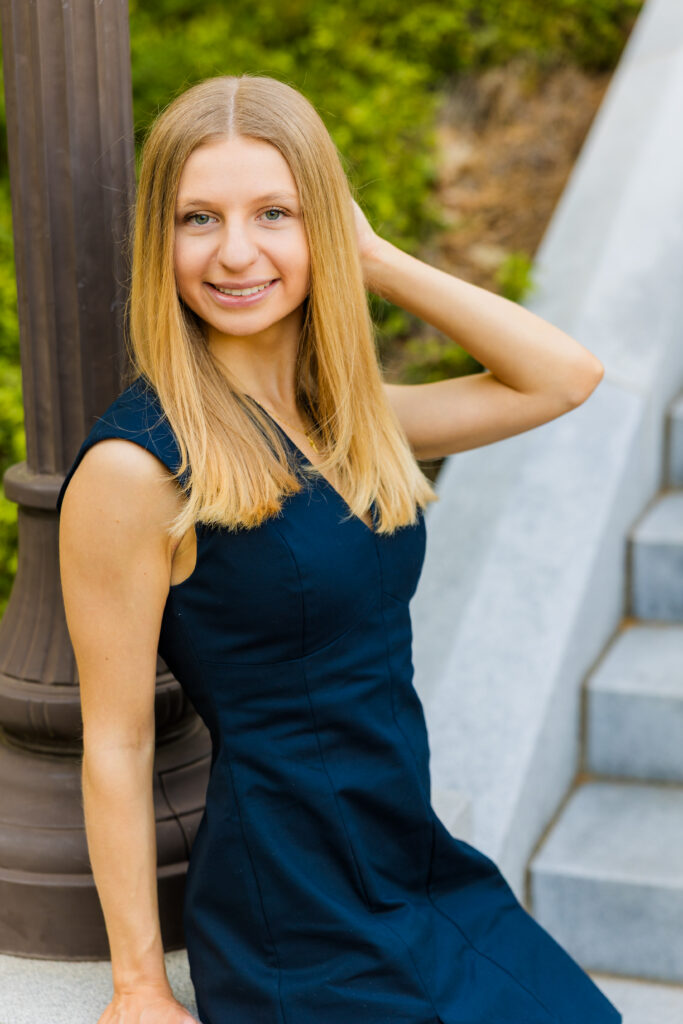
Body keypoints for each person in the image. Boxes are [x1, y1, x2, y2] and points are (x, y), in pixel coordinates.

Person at [56, 74, 621, 1024]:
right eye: (198, 218)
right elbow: (115, 739)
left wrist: (369, 255)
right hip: (295, 906)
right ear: (160, 238)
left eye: (274, 212)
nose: (235, 252)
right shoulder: (138, 468)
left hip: (418, 864)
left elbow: (563, 377)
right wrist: (139, 986)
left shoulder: (352, 424)